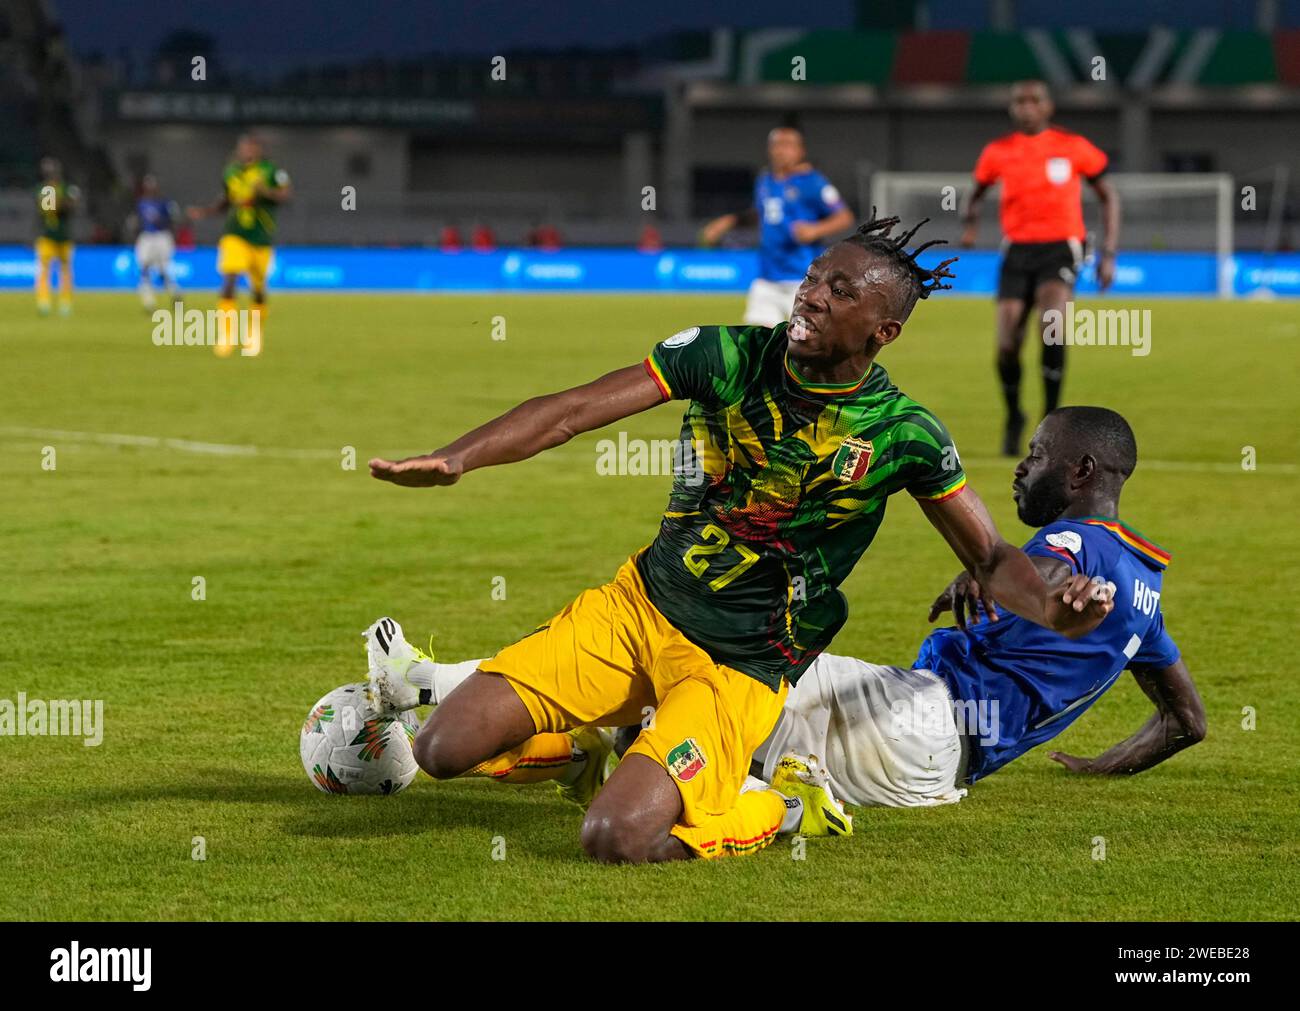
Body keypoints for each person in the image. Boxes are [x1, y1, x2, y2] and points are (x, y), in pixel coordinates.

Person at [365, 213, 1114, 864]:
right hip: (637, 609)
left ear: (883, 331)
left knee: (615, 837)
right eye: (817, 277)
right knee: (441, 749)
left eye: (841, 291)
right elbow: (574, 409)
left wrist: (1053, 608)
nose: (813, 293)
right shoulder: (726, 356)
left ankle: (785, 806)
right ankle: (594, 749)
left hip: (741, 663)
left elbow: (987, 556)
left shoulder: (903, 434)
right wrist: (459, 456)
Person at [358, 408, 1193, 819]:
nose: (1021, 468)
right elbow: (1185, 720)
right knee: (662, 726)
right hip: (939, 771)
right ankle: (775, 791)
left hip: (916, 718)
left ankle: (426, 679)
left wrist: (1007, 581)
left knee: (697, 658)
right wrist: (1096, 766)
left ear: (1083, 471)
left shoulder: (1081, 549)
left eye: (1038, 456)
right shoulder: (1148, 585)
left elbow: (1054, 573)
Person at [960, 80, 1120, 456]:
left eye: (1035, 100)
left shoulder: (1073, 146)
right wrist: (969, 223)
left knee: (1052, 325)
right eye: (1019, 101)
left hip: (1060, 248)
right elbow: (977, 191)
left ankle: (1051, 419)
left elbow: (1109, 195)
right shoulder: (998, 152)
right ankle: (1014, 414)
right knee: (1006, 346)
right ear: (1012, 108)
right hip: (1016, 250)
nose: (1027, 107)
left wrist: (1109, 252)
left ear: (1049, 107)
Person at [701, 126, 854, 327]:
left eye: (788, 145)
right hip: (767, 279)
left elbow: (844, 217)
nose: (781, 150)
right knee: (758, 344)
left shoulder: (812, 182)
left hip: (802, 280)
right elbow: (762, 214)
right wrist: (729, 221)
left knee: (804, 343)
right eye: (776, 145)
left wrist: (815, 230)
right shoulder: (765, 181)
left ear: (800, 151)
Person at [187, 133, 291, 357]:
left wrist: (266, 192)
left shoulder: (272, 171)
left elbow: (285, 196)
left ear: (258, 149)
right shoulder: (231, 171)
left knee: (258, 290)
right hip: (235, 234)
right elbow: (226, 200)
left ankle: (254, 335)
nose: (247, 151)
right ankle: (226, 336)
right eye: (243, 147)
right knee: (229, 280)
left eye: (251, 148)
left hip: (261, 237)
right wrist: (205, 211)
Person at [34, 157, 79, 316]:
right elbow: (49, 209)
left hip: (64, 236)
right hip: (47, 236)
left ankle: (65, 303)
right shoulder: (44, 189)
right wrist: (64, 200)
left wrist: (65, 200)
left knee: (65, 271)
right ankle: (44, 302)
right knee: (45, 270)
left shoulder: (63, 188)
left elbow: (72, 208)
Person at [130, 174, 181, 310]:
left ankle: (175, 293)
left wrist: (168, 229)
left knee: (163, 270)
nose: (150, 189)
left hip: (162, 237)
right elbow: (137, 221)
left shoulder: (164, 203)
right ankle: (149, 302)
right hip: (147, 237)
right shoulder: (141, 203)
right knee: (144, 268)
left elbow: (174, 220)